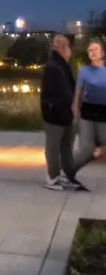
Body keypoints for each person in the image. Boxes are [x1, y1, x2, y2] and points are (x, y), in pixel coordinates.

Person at [40, 33, 81, 191]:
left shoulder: (61, 65)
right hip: (55, 115)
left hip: (63, 114)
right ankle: (52, 177)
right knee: (54, 146)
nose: (70, 52)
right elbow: (61, 93)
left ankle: (64, 174)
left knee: (65, 147)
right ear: (64, 48)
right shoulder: (55, 66)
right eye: (69, 48)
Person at [70, 37, 106, 182]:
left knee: (97, 149)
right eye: (90, 50)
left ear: (102, 52)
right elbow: (77, 94)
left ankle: (97, 151)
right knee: (86, 149)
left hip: (104, 115)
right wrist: (75, 116)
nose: (92, 53)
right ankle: (67, 173)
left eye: (95, 49)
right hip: (88, 115)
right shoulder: (83, 71)